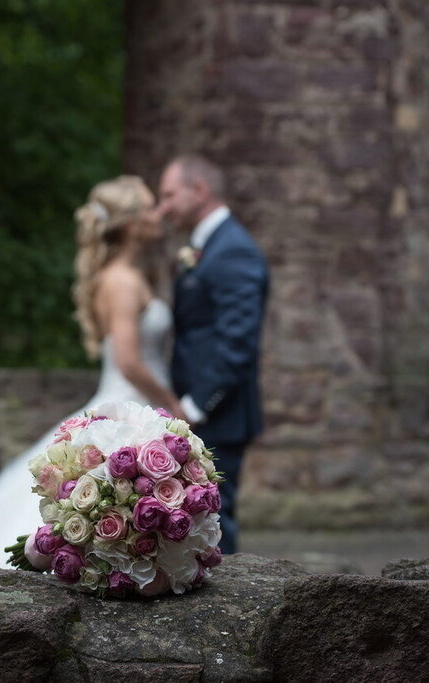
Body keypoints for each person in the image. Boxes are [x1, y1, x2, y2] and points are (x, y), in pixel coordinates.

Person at [0, 175, 184, 568]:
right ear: (132, 224)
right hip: (130, 403)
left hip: (138, 401)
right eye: (151, 207)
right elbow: (129, 361)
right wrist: (171, 403)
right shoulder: (121, 281)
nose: (159, 215)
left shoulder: (132, 275)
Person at [157, 154, 269, 555]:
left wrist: (196, 405)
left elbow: (237, 344)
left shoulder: (233, 251)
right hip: (200, 415)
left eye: (169, 194)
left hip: (218, 416)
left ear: (199, 190)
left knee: (217, 524)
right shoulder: (209, 246)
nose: (163, 206)